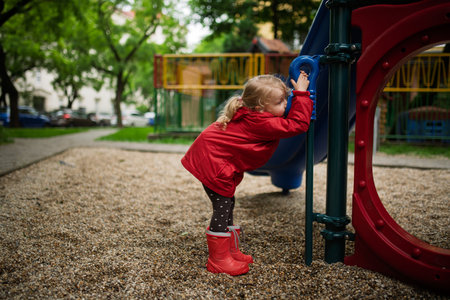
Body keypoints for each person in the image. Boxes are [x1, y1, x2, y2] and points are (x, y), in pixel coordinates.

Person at [181, 71, 313, 276]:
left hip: (213, 159)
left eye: (286, 99)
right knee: (222, 206)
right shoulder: (263, 122)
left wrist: (293, 97)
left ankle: (230, 251)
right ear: (260, 107)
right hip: (214, 164)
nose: (286, 104)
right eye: (280, 101)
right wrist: (302, 95)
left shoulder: (254, 113)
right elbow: (298, 125)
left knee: (227, 203)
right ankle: (218, 259)